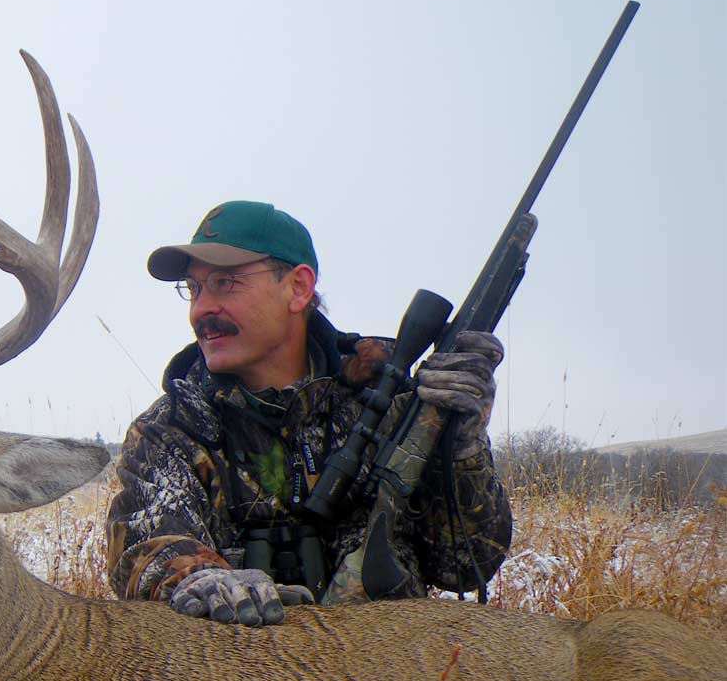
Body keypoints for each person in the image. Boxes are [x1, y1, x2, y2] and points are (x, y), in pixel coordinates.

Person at [106, 200, 512, 625]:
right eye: (194, 288)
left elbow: (466, 566)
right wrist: (201, 579)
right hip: (236, 677)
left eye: (225, 282)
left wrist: (462, 446)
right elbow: (144, 549)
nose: (200, 309)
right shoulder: (171, 429)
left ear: (298, 288)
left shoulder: (393, 408)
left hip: (388, 676)